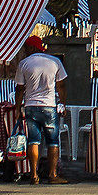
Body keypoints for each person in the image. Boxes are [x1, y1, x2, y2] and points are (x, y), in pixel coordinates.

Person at [13, 38, 70, 184]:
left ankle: (33, 175)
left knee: (33, 140)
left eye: (26, 48)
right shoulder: (55, 62)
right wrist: (62, 104)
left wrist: (18, 107)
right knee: (53, 141)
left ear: (32, 48)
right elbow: (61, 86)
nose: (25, 50)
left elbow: (19, 89)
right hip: (49, 106)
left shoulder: (24, 63)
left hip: (31, 106)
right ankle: (52, 175)